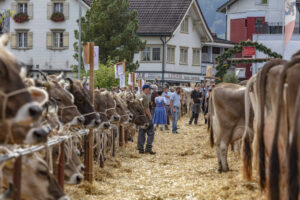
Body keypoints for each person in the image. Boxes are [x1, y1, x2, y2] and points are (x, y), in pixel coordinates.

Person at [137, 84, 156, 155]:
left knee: (142, 132)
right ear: (145, 89)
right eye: (149, 89)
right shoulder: (145, 96)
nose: (150, 90)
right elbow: (146, 108)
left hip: (140, 117)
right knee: (151, 132)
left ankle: (140, 148)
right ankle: (148, 148)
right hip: (145, 117)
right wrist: (150, 116)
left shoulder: (139, 96)